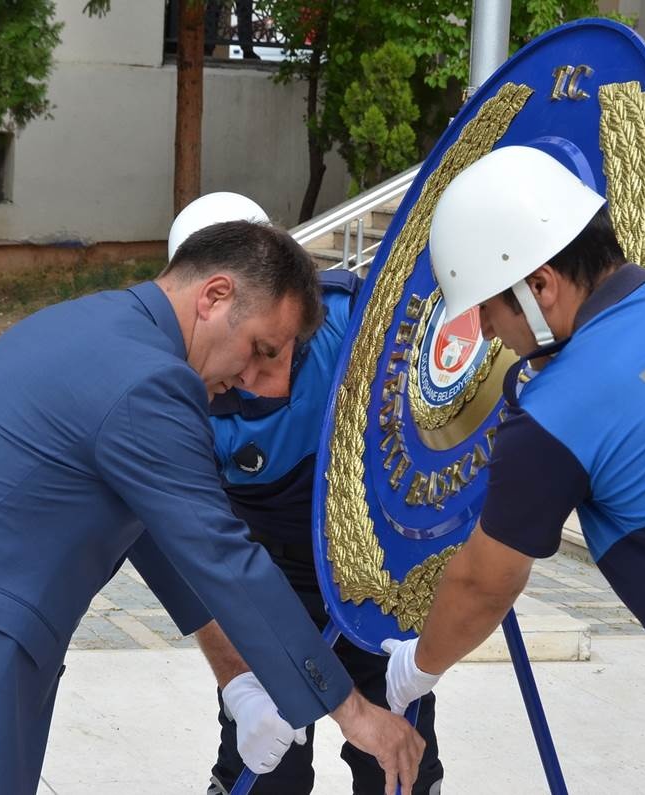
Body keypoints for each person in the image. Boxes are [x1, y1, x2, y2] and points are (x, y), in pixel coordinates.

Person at [0, 219, 425, 795]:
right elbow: (225, 557)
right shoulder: (151, 382)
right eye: (262, 349)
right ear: (215, 296)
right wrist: (353, 711)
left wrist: (239, 679)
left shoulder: (99, 326)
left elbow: (159, 535)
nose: (266, 383)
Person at [381, 145, 645, 795]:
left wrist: (418, 665)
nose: (492, 335)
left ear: (541, 286)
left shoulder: (558, 411)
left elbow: (481, 585)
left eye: (490, 311)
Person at [165, 196, 445, 794]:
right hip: (265, 581)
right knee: (267, 769)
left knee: (397, 765)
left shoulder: (352, 319)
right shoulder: (173, 386)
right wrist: (239, 687)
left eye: (274, 343)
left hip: (370, 568)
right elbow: (192, 552)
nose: (256, 372)